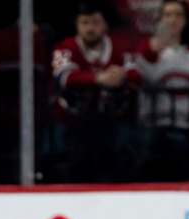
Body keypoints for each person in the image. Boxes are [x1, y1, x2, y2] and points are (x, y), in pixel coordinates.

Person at [50, 2, 142, 182]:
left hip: (113, 120)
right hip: (73, 121)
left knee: (127, 148)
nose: (90, 28)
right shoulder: (65, 47)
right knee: (68, 154)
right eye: (85, 23)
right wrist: (99, 78)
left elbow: (136, 75)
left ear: (105, 25)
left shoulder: (121, 46)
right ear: (77, 25)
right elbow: (65, 77)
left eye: (95, 22)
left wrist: (120, 76)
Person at [134, 0, 189, 181]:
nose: (173, 20)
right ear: (160, 20)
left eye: (178, 15)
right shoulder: (147, 49)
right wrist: (151, 53)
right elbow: (143, 79)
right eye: (168, 15)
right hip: (155, 123)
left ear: (186, 21)